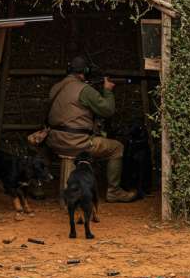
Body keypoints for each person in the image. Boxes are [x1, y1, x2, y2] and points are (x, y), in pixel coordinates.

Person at [46, 56, 138, 203]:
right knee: (117, 148)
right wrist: (107, 91)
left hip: (55, 141)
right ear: (85, 71)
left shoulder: (56, 87)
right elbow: (107, 110)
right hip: (76, 143)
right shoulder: (85, 90)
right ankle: (114, 191)